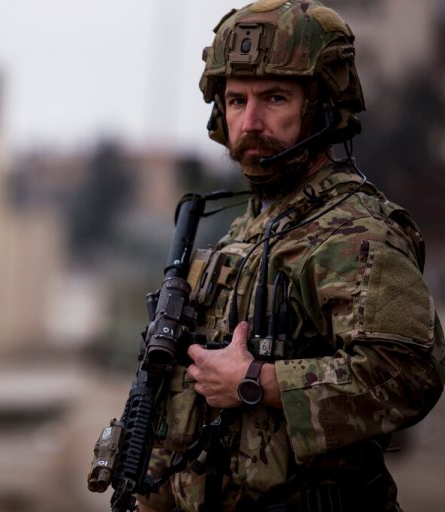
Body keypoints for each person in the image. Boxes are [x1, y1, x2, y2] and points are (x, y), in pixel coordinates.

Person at [137, 1, 445, 511]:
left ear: (322, 106)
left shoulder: (353, 230)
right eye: (236, 101)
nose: (251, 121)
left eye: (274, 97)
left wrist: (256, 382)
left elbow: (409, 374)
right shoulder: (249, 230)